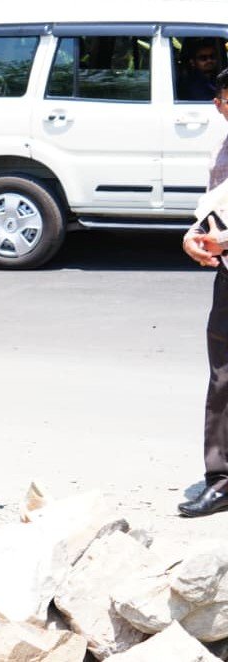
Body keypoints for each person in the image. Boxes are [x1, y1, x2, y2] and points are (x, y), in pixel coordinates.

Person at [179, 68, 228, 518]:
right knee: (223, 379)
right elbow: (213, 209)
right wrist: (193, 237)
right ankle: (222, 480)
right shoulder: (221, 147)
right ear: (220, 105)